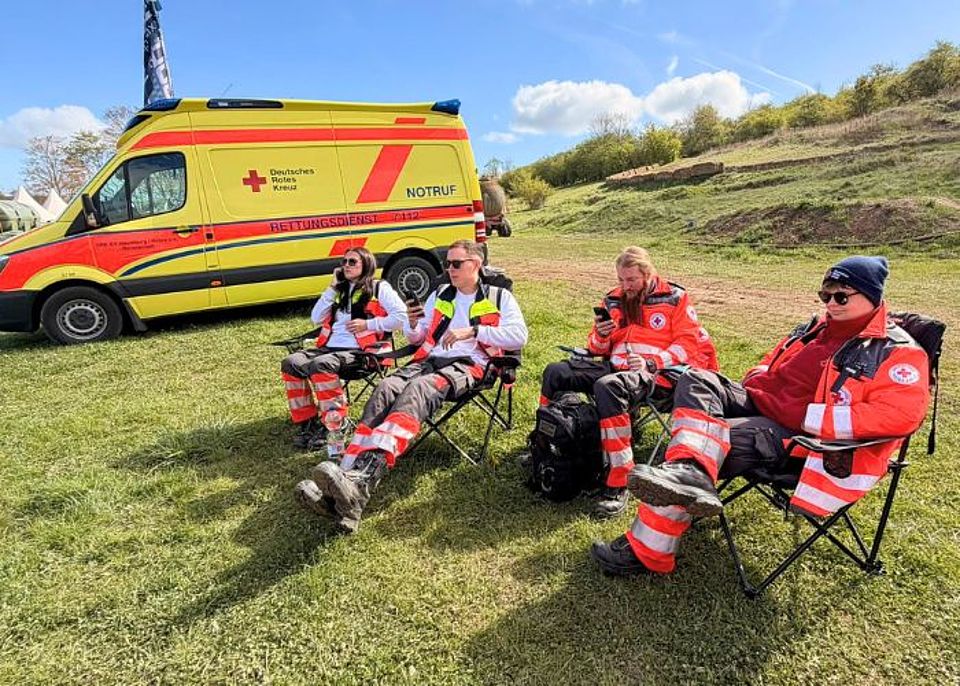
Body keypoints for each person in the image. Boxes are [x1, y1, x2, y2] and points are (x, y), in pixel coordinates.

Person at [591, 256, 931, 576]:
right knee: (694, 380)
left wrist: (808, 417)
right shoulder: (815, 328)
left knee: (703, 442)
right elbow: (771, 360)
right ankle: (688, 474)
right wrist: (757, 380)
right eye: (825, 295)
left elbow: (900, 416)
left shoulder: (896, 351)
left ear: (872, 297)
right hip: (759, 401)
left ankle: (648, 551)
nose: (830, 304)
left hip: (799, 436)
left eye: (841, 297)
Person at [296, 240, 529, 532]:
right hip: (429, 360)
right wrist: (412, 322)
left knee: (416, 392)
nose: (450, 269)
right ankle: (343, 477)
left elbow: (519, 336)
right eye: (447, 264)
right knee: (385, 389)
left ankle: (361, 482)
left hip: (470, 365)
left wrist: (473, 331)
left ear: (476, 264)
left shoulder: (499, 296)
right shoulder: (441, 293)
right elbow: (417, 337)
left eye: (457, 264)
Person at [538, 246, 718, 517]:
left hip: (657, 375)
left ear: (648, 274)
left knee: (608, 387)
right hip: (614, 367)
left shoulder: (674, 298)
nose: (625, 286)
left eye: (631, 280)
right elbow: (597, 348)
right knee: (556, 372)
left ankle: (619, 479)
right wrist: (601, 335)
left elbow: (688, 344)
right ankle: (543, 444)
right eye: (621, 279)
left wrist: (652, 362)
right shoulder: (613, 299)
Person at [280, 247, 406, 450]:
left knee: (321, 364)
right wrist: (332, 287)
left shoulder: (379, 288)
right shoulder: (339, 290)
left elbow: (401, 317)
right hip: (329, 347)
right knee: (291, 362)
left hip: (363, 353)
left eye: (352, 262)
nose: (346, 266)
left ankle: (336, 424)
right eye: (344, 262)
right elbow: (316, 318)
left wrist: (369, 324)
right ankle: (308, 422)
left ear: (366, 265)